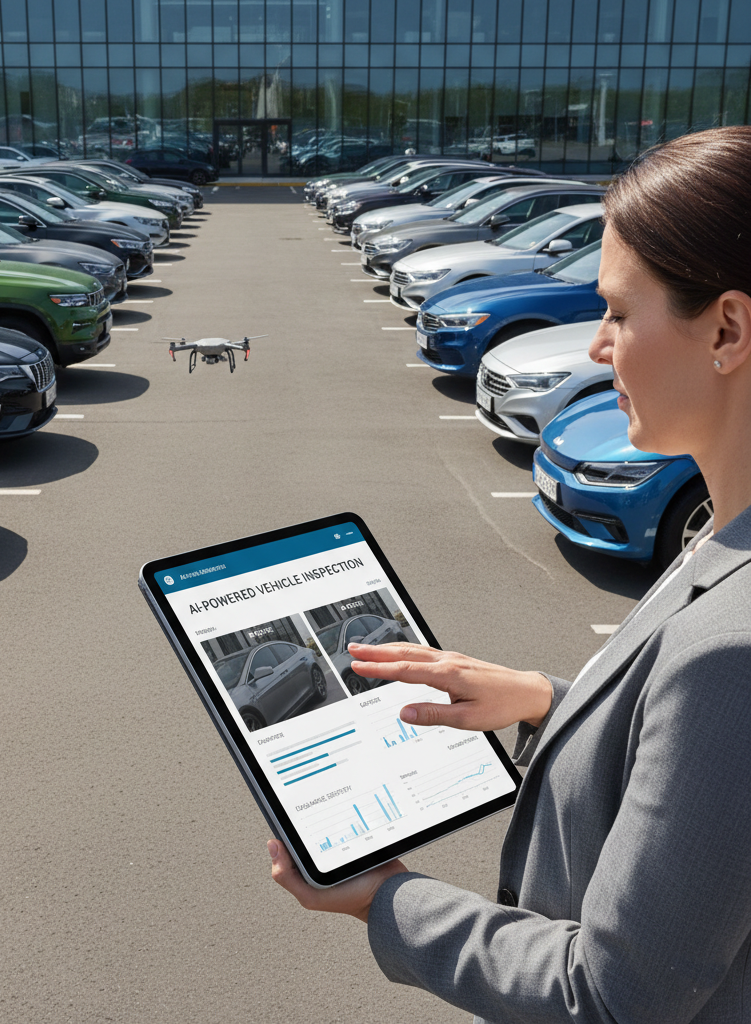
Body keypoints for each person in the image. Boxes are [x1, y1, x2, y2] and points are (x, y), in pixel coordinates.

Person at [269, 125, 751, 1024]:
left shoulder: (736, 647)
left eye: (616, 310)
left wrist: (388, 901)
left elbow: (614, 998)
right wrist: (542, 701)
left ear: (727, 329)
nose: (599, 348)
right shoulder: (727, 542)